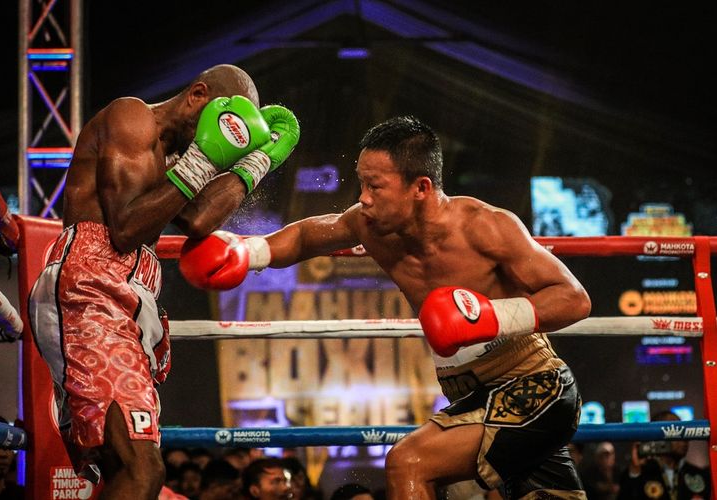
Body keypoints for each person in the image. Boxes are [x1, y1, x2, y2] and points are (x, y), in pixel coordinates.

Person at [179, 116, 591, 498]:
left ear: (421, 188)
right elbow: (307, 236)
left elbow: (574, 298)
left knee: (409, 463)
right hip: (471, 396)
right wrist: (247, 252)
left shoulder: (484, 225)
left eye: (376, 186)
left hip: (533, 386)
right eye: (362, 184)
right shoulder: (370, 224)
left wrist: (490, 317)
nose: (364, 198)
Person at [27, 63, 300, 500]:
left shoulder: (185, 152)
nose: (227, 143)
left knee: (121, 465)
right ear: (197, 96)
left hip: (131, 301)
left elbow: (198, 218)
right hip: (92, 287)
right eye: (228, 126)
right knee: (143, 469)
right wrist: (204, 159)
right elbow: (126, 229)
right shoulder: (131, 118)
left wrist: (259, 160)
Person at [617, 411, 710, 499]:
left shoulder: (699, 475)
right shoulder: (640, 474)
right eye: (674, 431)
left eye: (683, 430)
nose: (683, 437)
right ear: (657, 438)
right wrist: (635, 472)